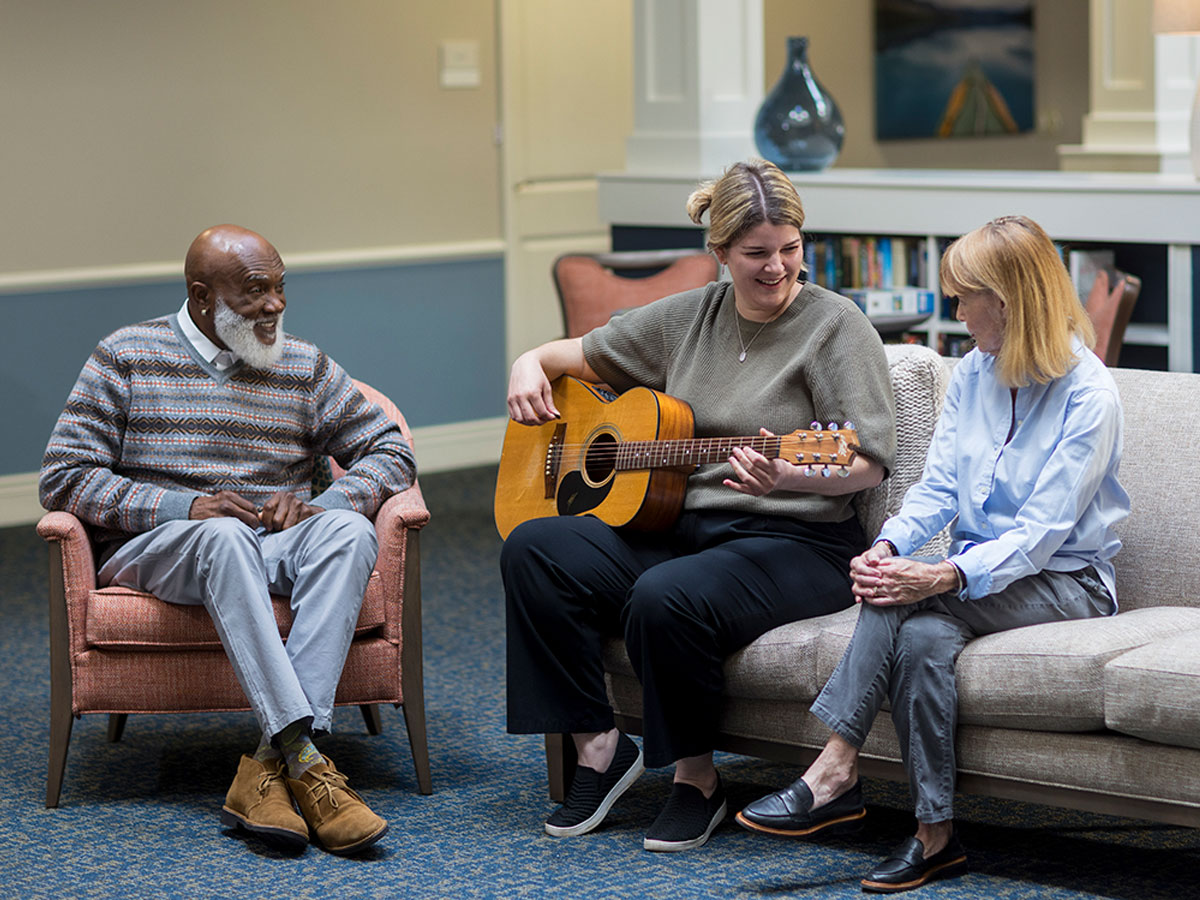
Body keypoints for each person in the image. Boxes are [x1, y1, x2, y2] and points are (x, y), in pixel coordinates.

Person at [502, 159, 897, 852]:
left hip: (799, 543)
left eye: (790, 250)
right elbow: (573, 355)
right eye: (755, 254)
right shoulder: (690, 317)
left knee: (665, 595)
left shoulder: (836, 327)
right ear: (718, 254)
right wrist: (527, 364)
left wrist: (788, 478)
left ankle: (697, 782)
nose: (777, 268)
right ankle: (598, 745)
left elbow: (863, 462)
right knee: (535, 546)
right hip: (685, 527)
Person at [737, 215, 1129, 893]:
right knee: (917, 632)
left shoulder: (1090, 396)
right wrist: (889, 544)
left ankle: (833, 764)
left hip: (1068, 581)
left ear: (1005, 302)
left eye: (962, 298)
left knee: (911, 598)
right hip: (982, 578)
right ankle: (934, 837)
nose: (955, 311)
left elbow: (1039, 535)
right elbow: (938, 487)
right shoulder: (974, 374)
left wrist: (942, 571)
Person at [40, 224, 416, 856]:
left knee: (349, 531)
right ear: (201, 296)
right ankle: (304, 754)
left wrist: (320, 503)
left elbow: (391, 452)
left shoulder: (304, 365)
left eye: (279, 287)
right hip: (163, 549)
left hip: (268, 544)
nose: (275, 305)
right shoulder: (126, 356)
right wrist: (184, 506)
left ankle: (271, 765)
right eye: (254, 291)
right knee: (220, 535)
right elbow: (63, 476)